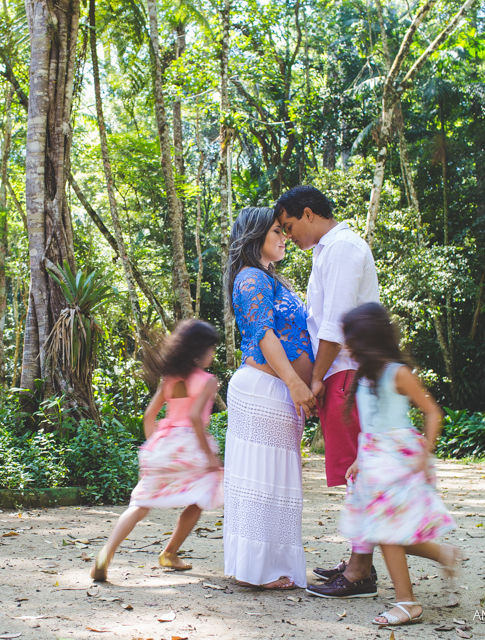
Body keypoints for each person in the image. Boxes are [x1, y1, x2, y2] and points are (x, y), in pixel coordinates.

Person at [274, 186, 381, 598]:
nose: (288, 237)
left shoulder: (343, 249)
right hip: (341, 370)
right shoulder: (326, 250)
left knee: (359, 471)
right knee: (354, 471)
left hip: (347, 371)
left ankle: (360, 573)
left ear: (307, 213)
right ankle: (360, 561)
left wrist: (316, 378)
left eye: (288, 227)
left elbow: (334, 324)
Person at [338, 302, 460, 626]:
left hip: (398, 459)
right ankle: (442, 554)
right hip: (375, 459)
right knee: (383, 531)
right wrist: (358, 458)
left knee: (386, 530)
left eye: (350, 338)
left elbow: (433, 412)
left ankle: (408, 603)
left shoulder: (398, 373)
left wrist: (425, 454)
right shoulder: (365, 375)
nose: (345, 345)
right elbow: (371, 425)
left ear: (368, 338)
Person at [223, 206, 316, 590]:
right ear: (256, 235)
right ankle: (258, 570)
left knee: (278, 481)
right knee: (264, 481)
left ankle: (269, 566)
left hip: (276, 392)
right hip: (265, 389)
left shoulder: (269, 278)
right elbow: (264, 334)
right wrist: (296, 383)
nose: (284, 237)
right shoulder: (249, 278)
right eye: (278, 231)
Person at [90, 319, 223, 582]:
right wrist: (210, 457)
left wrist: (155, 448)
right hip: (192, 447)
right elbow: (196, 417)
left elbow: (148, 417)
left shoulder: (169, 380)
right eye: (211, 349)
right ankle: (170, 553)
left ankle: (107, 552)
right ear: (198, 350)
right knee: (200, 498)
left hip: (162, 446)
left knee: (140, 504)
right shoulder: (209, 381)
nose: (213, 354)